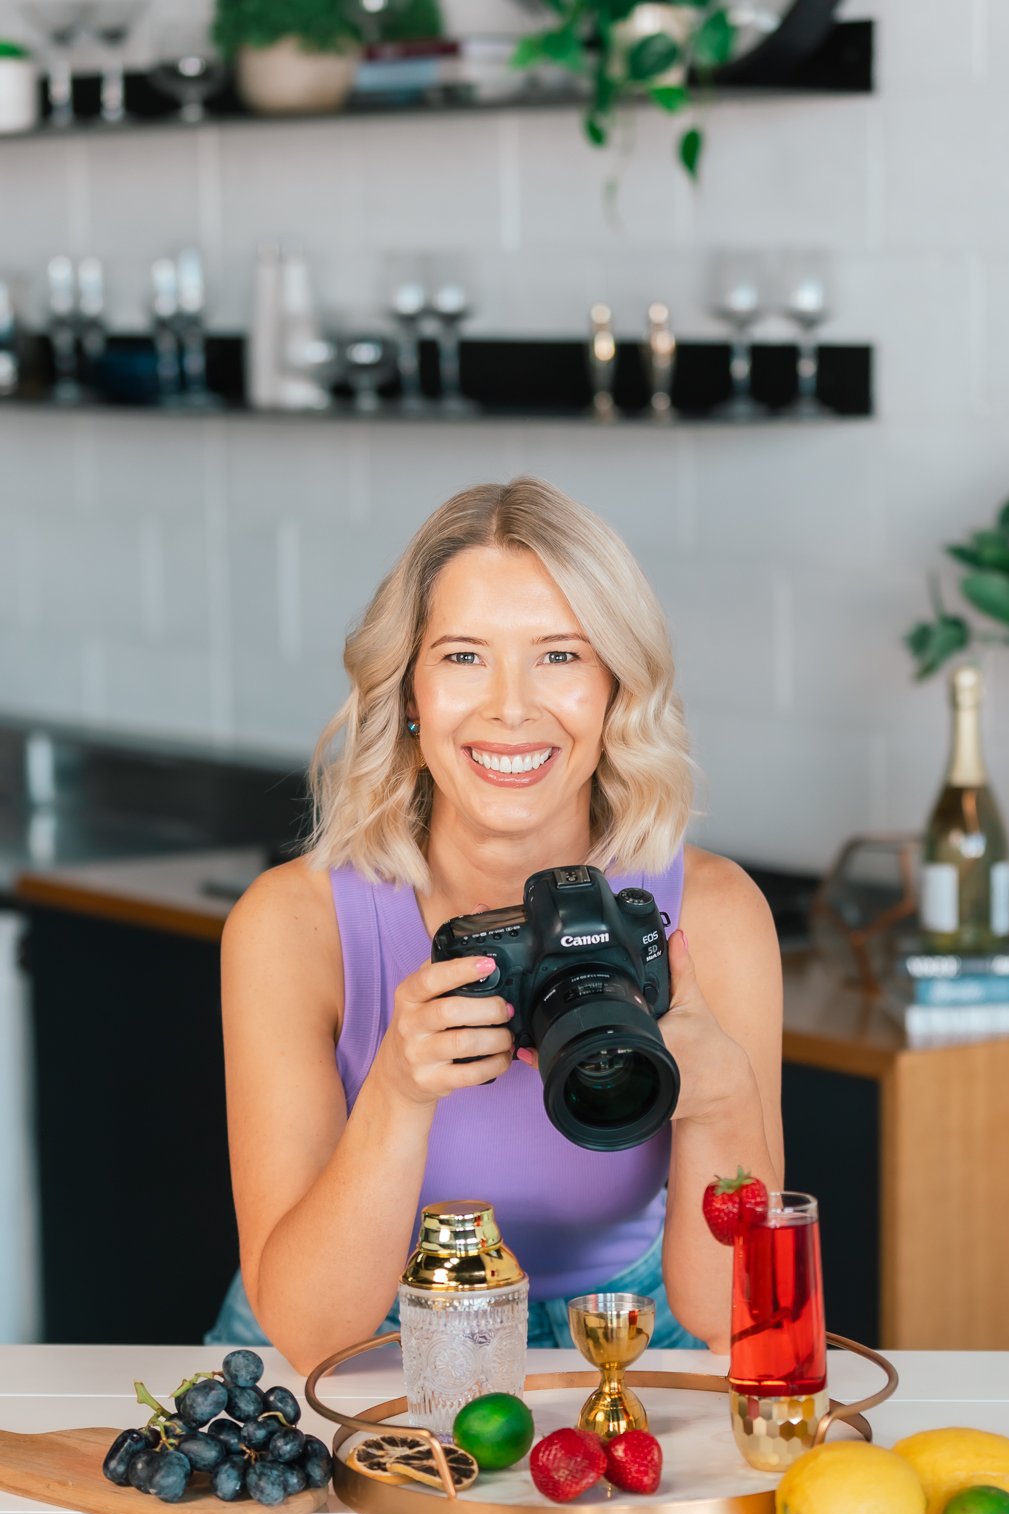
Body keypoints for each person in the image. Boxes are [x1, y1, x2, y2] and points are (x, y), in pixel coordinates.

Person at [207, 477, 783, 1372]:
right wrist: (399, 1091)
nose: (510, 707)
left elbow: (732, 1323)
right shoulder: (294, 927)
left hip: (625, 1336)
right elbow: (314, 1332)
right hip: (363, 1343)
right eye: (464, 656)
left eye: (560, 655)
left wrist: (719, 1099)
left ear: (614, 691)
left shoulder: (710, 916)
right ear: (407, 691)